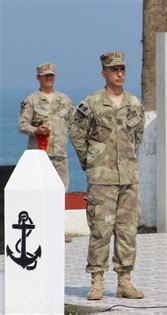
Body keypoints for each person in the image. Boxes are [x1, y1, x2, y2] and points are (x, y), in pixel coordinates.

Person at [70, 51, 145, 300]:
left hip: (128, 178)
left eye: (122, 69)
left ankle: (124, 281)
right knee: (101, 230)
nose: (119, 74)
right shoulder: (92, 103)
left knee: (127, 230)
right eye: (114, 70)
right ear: (104, 73)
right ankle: (97, 281)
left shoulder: (134, 103)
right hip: (101, 178)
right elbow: (77, 133)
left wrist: (128, 162)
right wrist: (89, 162)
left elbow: (138, 137)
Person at [18, 62, 75, 243]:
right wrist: (36, 130)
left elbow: (74, 124)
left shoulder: (65, 100)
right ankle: (38, 230)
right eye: (45, 76)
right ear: (38, 78)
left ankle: (58, 230)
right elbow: (22, 125)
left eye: (51, 75)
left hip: (59, 154)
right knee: (38, 192)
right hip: (39, 154)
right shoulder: (32, 101)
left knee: (60, 191)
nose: (49, 78)